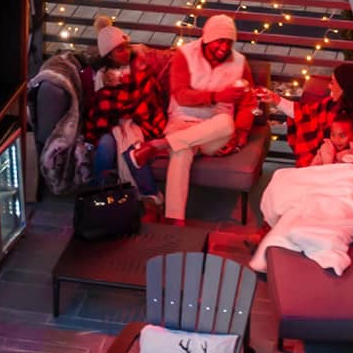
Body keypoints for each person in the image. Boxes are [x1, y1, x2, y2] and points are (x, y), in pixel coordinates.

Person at [159, 13, 256, 225]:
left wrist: (241, 132)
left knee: (226, 123)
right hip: (183, 123)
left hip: (216, 132)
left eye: (229, 42)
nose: (224, 47)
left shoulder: (240, 63)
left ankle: (160, 144)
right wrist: (216, 97)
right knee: (181, 151)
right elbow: (180, 95)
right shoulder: (185, 55)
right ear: (207, 39)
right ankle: (175, 220)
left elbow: (250, 103)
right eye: (219, 41)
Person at [84, 15, 166, 200]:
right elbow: (101, 107)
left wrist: (128, 105)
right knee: (105, 146)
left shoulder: (139, 66)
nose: (126, 53)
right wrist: (109, 89)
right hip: (111, 123)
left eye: (127, 47)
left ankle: (149, 194)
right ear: (109, 55)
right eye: (120, 50)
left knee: (133, 147)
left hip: (136, 120)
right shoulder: (102, 76)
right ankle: (100, 194)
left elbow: (148, 96)